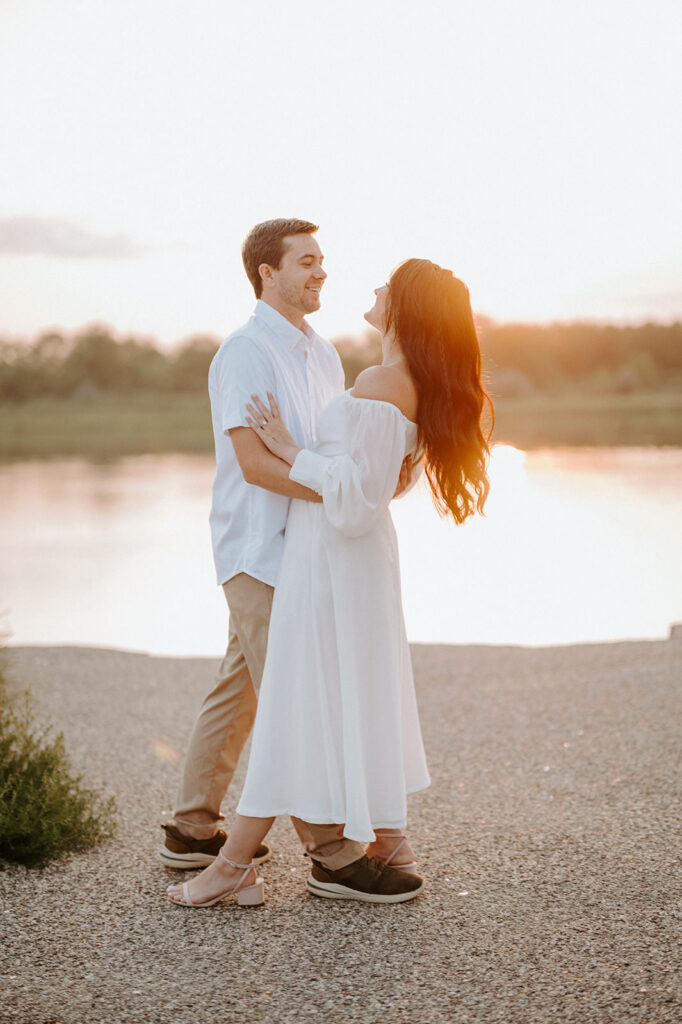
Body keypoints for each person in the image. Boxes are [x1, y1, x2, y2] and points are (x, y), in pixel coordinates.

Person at [167, 257, 493, 909]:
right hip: (341, 559)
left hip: (331, 560)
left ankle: (272, 861)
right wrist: (329, 465)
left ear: (405, 308)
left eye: (386, 286)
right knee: (334, 695)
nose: (368, 287)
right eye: (309, 259)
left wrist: (290, 448)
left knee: (296, 704)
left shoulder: (377, 379)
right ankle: (377, 838)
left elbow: (349, 503)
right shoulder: (396, 378)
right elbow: (367, 485)